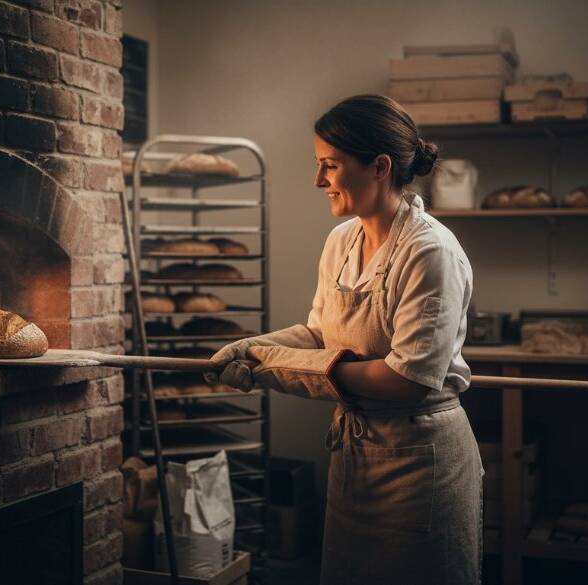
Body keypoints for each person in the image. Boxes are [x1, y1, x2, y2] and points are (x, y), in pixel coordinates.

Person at [205, 94, 483, 584]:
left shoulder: (430, 251)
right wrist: (252, 347)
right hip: (355, 457)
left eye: (330, 165)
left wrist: (277, 367)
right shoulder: (341, 240)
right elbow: (319, 333)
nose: (319, 181)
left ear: (380, 166)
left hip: (420, 463)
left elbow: (406, 381)